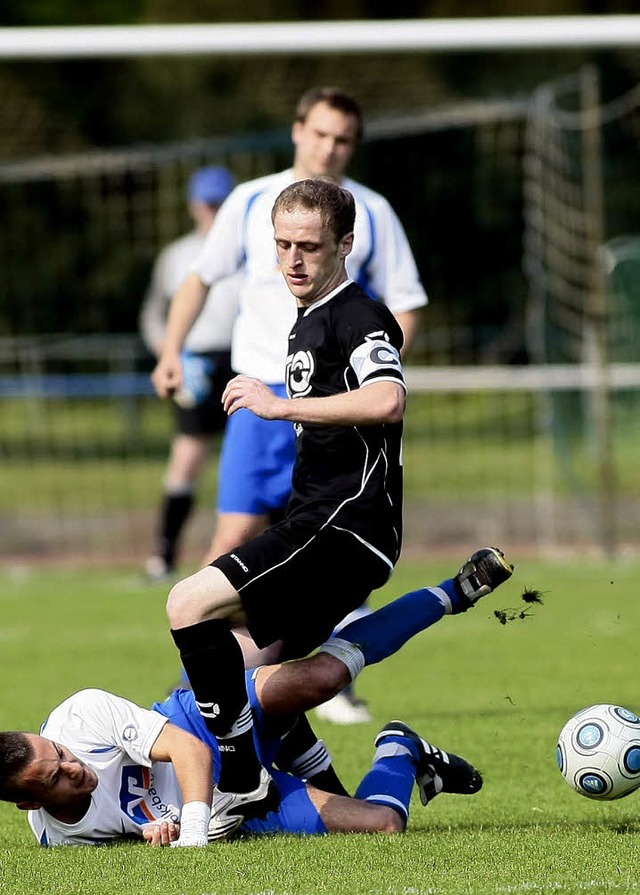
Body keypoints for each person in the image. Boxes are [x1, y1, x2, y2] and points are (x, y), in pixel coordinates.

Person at [159, 179, 515, 840]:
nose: (293, 260)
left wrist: (279, 403)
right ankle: (364, 775)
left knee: (187, 604)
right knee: (243, 670)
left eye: (309, 247)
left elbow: (387, 399)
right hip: (340, 528)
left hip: (341, 523)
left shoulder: (357, 315)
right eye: (283, 246)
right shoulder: (306, 321)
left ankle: (240, 781)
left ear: (346, 244)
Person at [152, 87, 428, 724]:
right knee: (239, 554)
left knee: (322, 546)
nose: (329, 148)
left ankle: (225, 713)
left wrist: (364, 361)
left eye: (343, 139)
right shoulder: (252, 201)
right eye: (320, 134)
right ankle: (213, 695)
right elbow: (202, 276)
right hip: (260, 396)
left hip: (309, 407)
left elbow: (397, 340)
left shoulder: (373, 224)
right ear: (297, 130)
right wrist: (173, 349)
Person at [0, 545, 514, 847]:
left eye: (60, 756)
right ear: (30, 801)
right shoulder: (60, 836)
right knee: (382, 824)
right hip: (234, 808)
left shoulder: (77, 716)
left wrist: (192, 833)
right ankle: (401, 748)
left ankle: (454, 590)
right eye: (55, 777)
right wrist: (163, 830)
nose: (72, 766)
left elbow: (188, 750)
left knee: (320, 680)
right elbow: (139, 826)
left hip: (203, 725)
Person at [140, 165, 239, 584]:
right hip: (195, 363)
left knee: (252, 462)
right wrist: (171, 355)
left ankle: (258, 554)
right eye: (207, 204)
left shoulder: (254, 250)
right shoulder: (178, 255)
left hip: (243, 362)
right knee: (186, 458)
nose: (213, 212)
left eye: (221, 203)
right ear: (194, 205)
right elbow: (153, 315)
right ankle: (164, 556)